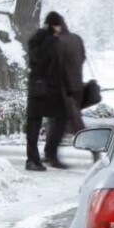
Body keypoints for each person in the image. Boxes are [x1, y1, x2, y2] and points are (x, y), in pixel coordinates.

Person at [43, 12, 86, 169]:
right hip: (76, 87)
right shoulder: (76, 39)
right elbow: (82, 59)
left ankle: (51, 155)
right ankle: (50, 154)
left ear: (55, 26)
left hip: (61, 88)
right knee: (63, 121)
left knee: (58, 123)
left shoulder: (57, 42)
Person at [24, 12, 65, 171]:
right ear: (52, 25)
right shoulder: (44, 39)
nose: (60, 28)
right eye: (57, 25)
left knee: (45, 122)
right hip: (42, 89)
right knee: (36, 123)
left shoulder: (49, 40)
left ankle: (43, 156)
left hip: (44, 89)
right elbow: (38, 59)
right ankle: (35, 159)